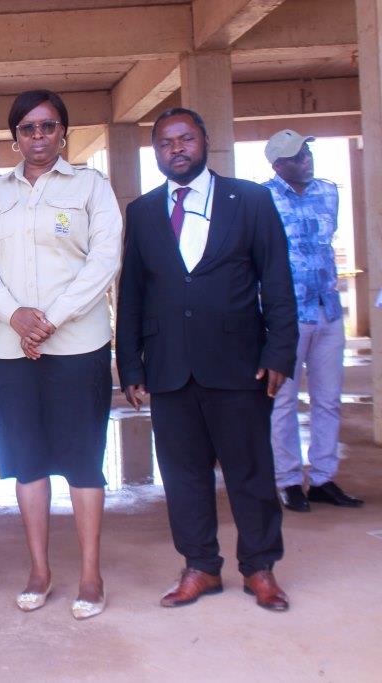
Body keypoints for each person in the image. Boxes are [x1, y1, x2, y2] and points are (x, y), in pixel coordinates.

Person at [116, 108, 298, 612]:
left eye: (185, 138)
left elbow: (277, 281)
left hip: (239, 363)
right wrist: (130, 365)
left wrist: (279, 351)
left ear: (205, 141)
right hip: (169, 366)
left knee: (250, 472)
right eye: (165, 142)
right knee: (183, 474)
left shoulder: (251, 200)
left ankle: (259, 568)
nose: (176, 148)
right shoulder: (143, 211)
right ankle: (200, 567)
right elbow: (132, 292)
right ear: (155, 152)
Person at [0, 90, 122, 620]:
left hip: (78, 345)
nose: (38, 136)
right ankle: (39, 569)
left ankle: (91, 574)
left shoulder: (91, 187)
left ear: (63, 133)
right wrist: (15, 316)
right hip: (11, 350)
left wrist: (50, 319)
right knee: (27, 462)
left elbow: (104, 259)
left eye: (48, 126)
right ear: (15, 137)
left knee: (83, 461)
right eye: (28, 128)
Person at [263, 130, 364, 512]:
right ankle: (288, 481)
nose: (306, 159)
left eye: (306, 152)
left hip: (327, 311)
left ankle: (323, 478)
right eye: (297, 156)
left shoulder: (328, 192)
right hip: (286, 317)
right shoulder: (262, 199)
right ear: (278, 166)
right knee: (283, 402)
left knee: (328, 400)